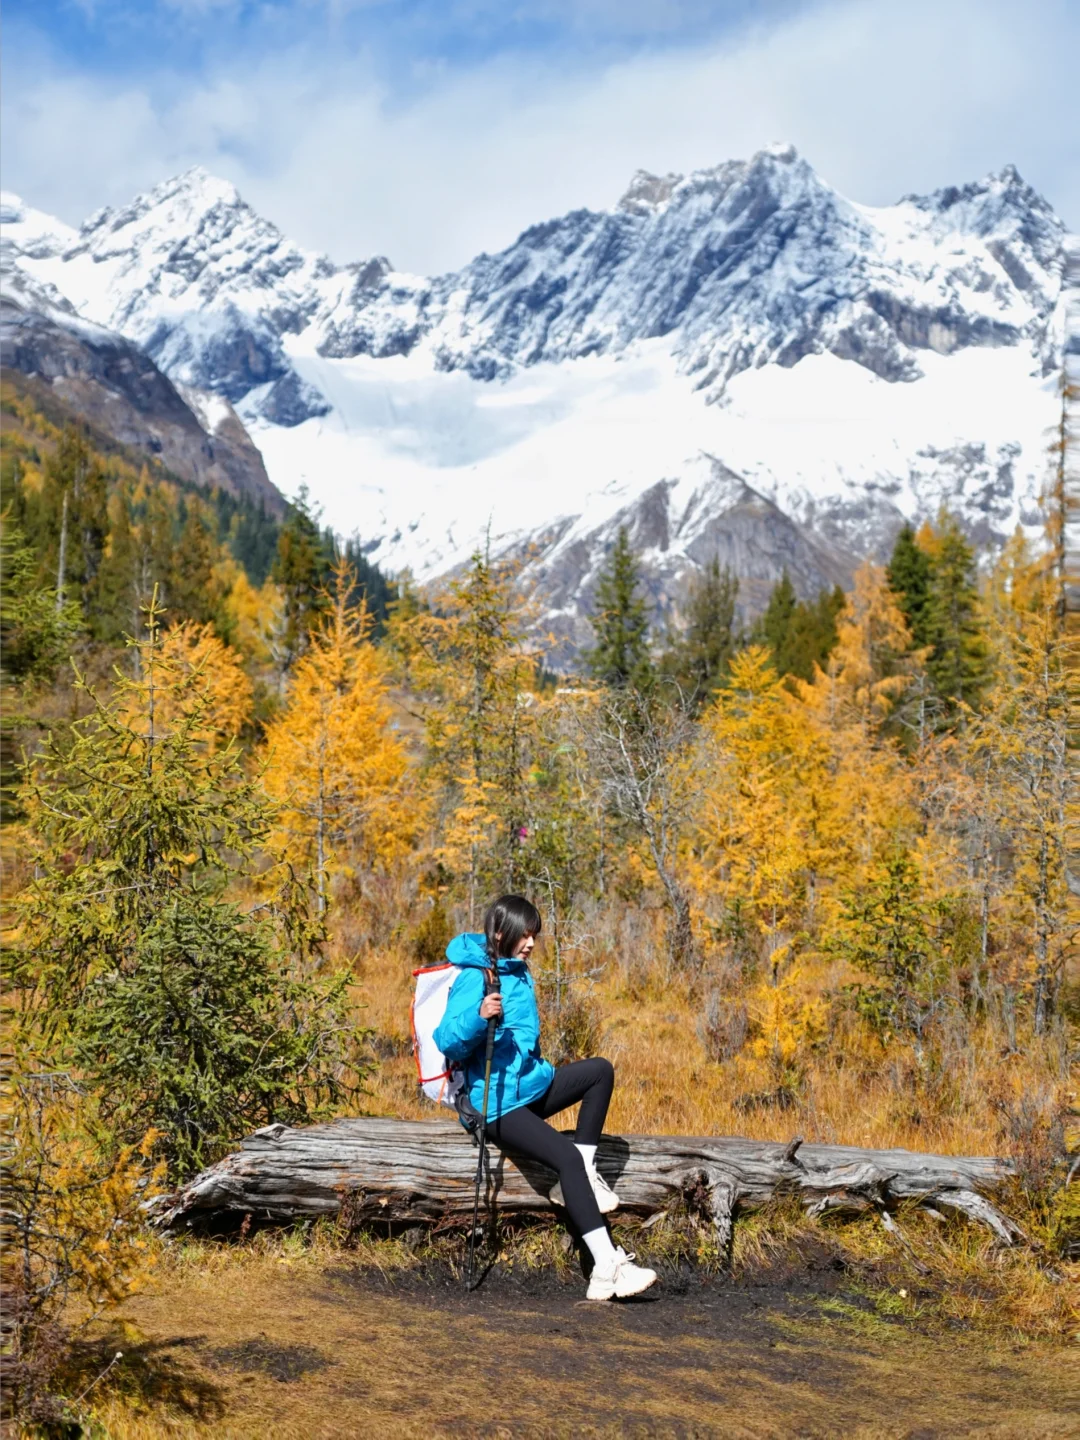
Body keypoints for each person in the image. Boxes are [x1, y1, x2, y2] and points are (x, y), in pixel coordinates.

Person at [433, 893, 658, 1301]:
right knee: (564, 1157)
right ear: (501, 932)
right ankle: (605, 1269)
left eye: (535, 935)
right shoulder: (475, 976)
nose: (532, 942)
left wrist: (537, 1072)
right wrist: (477, 1015)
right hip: (496, 1103)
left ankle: (583, 1174)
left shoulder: (517, 971)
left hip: (529, 1085)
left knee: (599, 1072)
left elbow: (523, 1042)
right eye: (526, 934)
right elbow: (446, 1040)